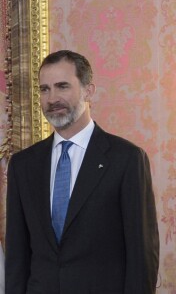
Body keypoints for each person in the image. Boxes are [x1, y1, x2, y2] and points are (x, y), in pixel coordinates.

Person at [5, 50, 159, 294]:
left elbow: (141, 255)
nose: (52, 98)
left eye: (62, 86)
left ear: (89, 91)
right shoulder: (23, 165)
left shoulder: (126, 159)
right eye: (44, 89)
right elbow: (17, 255)